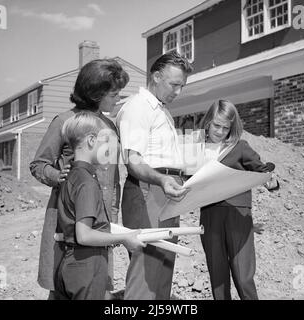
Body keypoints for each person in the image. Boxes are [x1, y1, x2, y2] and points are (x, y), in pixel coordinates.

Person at [29, 59, 129, 299]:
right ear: (96, 93)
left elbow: (112, 180)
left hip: (99, 221)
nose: (118, 99)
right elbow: (38, 165)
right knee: (63, 285)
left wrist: (112, 218)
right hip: (69, 221)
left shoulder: (109, 127)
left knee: (96, 285)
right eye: (114, 94)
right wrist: (56, 175)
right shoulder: (65, 121)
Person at [116, 51, 193, 300]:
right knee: (147, 269)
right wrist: (161, 180)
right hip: (149, 190)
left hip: (167, 191)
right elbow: (134, 161)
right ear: (156, 76)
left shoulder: (162, 111)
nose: (178, 92)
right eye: (174, 84)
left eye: (182, 86)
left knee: (163, 265)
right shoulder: (138, 107)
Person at [54, 112, 145, 300]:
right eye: (105, 143)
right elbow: (84, 234)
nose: (108, 149)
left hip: (68, 262)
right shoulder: (87, 183)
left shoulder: (70, 175)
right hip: (87, 265)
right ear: (91, 140)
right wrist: (125, 238)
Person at [198, 99, 279, 300]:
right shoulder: (195, 149)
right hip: (209, 214)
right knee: (217, 275)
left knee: (243, 276)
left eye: (226, 128)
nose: (220, 131)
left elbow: (262, 170)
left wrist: (271, 181)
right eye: (216, 125)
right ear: (208, 121)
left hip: (238, 214)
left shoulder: (240, 147)